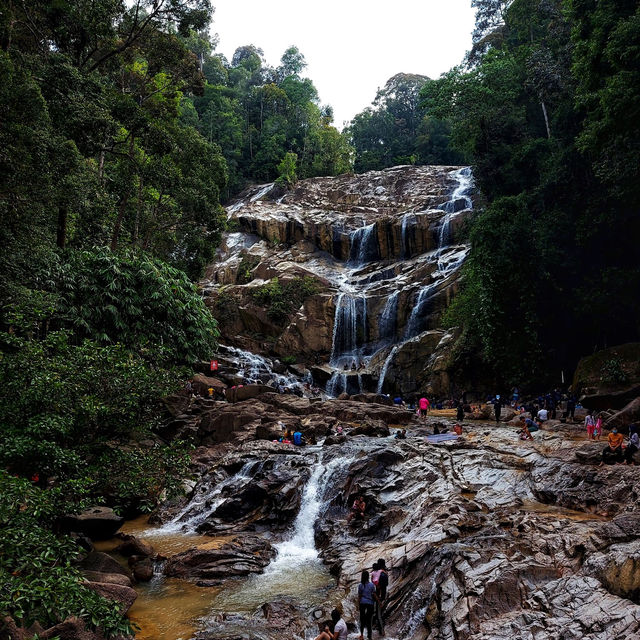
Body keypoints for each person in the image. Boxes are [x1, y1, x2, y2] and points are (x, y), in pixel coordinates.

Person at [357, 570, 380, 640]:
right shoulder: (371, 585)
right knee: (369, 620)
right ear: (368, 577)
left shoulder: (360, 585)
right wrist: (379, 602)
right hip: (370, 604)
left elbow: (359, 596)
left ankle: (361, 635)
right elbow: (374, 595)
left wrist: (358, 605)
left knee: (362, 619)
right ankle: (369, 636)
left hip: (362, 603)